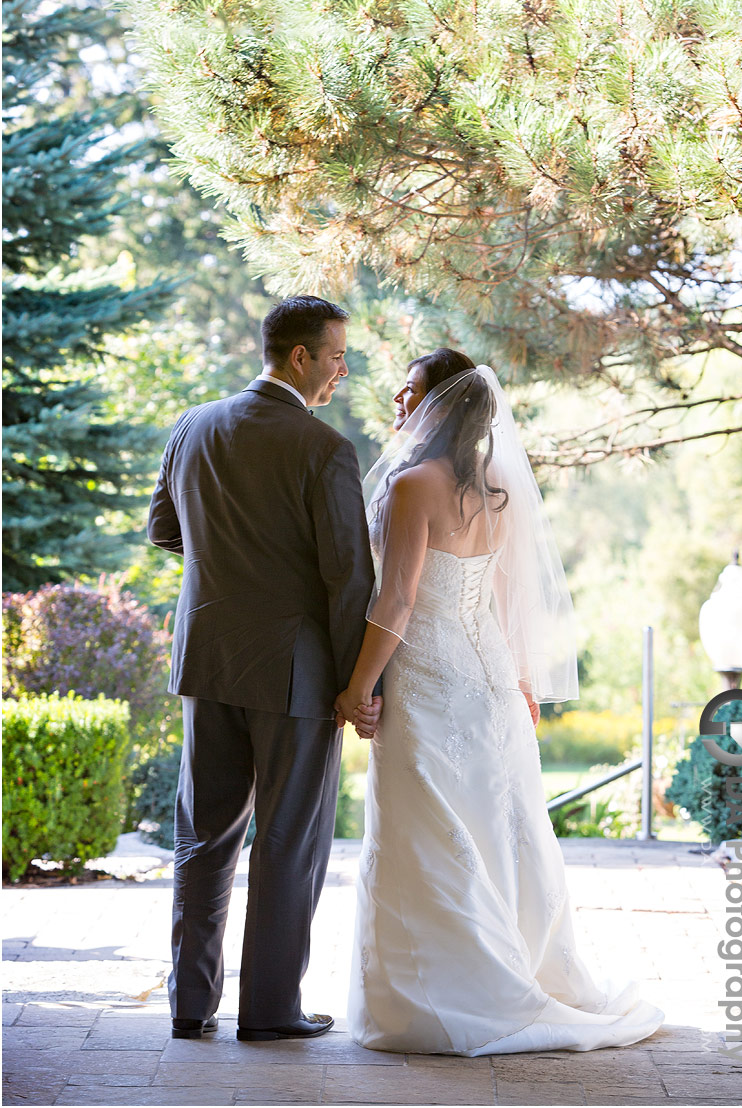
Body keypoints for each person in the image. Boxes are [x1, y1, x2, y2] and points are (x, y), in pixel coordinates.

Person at [336, 348, 665, 1055]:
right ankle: (521, 970)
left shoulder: (410, 487)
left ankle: (441, 997)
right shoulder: (496, 489)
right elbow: (508, 601)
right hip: (489, 681)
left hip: (428, 682)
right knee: (497, 828)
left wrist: (358, 687)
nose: (400, 399)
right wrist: (520, 684)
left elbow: (395, 599)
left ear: (439, 407)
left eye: (412, 391)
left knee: (427, 830)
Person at [147, 296, 378, 1043]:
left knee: (202, 836)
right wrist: (358, 685)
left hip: (207, 657)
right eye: (337, 355)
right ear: (302, 357)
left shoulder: (190, 425)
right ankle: (272, 1011)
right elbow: (348, 580)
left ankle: (190, 1005)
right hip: (295, 675)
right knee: (288, 841)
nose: (343, 369)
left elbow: (164, 530)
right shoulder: (324, 449)